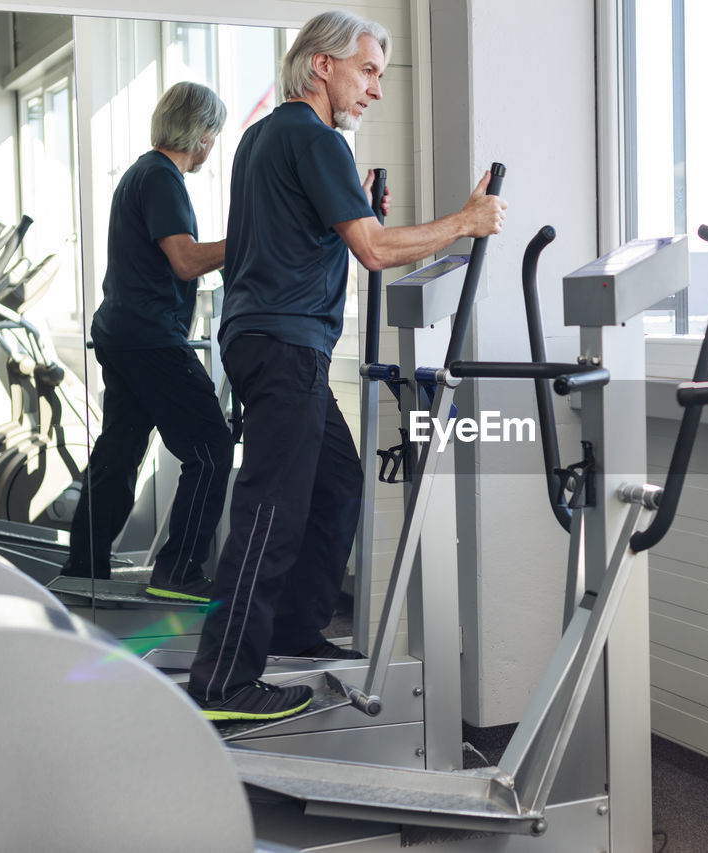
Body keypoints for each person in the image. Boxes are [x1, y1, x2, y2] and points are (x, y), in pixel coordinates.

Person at [186, 11, 506, 722]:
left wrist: (356, 204)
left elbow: (293, 239)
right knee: (271, 512)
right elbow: (375, 249)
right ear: (322, 65)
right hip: (285, 344)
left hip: (261, 337)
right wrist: (465, 220)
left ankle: (293, 634)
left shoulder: (265, 137)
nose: (377, 91)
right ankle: (223, 682)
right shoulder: (316, 136)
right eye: (368, 72)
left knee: (335, 486)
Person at [63, 82, 233, 605]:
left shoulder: (141, 173)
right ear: (199, 132)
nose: (212, 145)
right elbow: (185, 261)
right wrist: (252, 237)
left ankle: (82, 569)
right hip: (149, 337)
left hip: (121, 331)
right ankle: (178, 571)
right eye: (213, 133)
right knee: (211, 450)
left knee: (119, 450)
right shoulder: (162, 178)